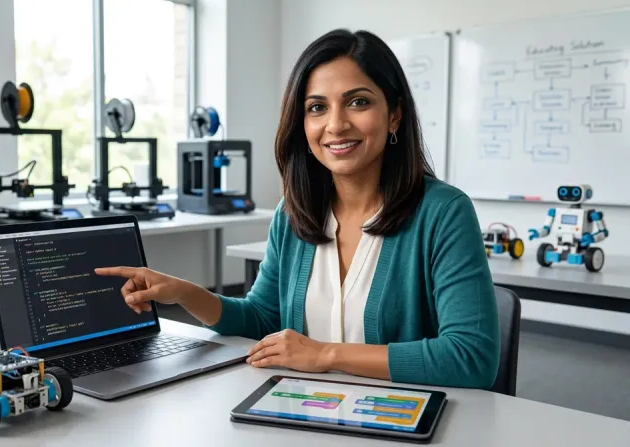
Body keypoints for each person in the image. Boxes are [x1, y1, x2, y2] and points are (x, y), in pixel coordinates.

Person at [96, 29, 500, 389]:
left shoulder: (444, 212)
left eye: (358, 102)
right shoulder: (294, 214)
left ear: (394, 114)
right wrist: (184, 292)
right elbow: (261, 318)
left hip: (401, 422)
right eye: (317, 107)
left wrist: (326, 354)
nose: (336, 125)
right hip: (307, 413)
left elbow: (471, 358)